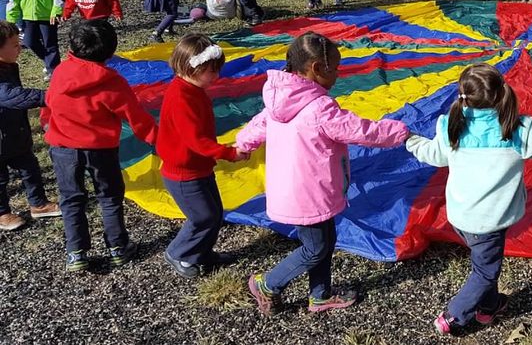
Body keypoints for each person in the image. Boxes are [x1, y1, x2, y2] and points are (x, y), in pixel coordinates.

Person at [240, 33, 410, 314]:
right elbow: (360, 130)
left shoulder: (279, 99)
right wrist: (400, 131)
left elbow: (259, 124)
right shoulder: (319, 108)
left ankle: (320, 294)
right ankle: (268, 283)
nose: (339, 74)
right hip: (309, 193)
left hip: (299, 190)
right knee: (315, 249)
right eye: (336, 68)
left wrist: (243, 143)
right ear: (318, 68)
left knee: (324, 242)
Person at [405, 63, 532, 335]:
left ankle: (488, 308)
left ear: (462, 96)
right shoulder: (516, 130)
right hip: (489, 223)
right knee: (485, 272)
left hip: (461, 217)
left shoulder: (452, 126)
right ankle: (454, 316)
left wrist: (411, 141)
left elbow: (434, 155)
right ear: (501, 94)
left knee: (485, 262)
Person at [44, 20, 157, 272]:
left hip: (63, 148)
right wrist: (157, 139)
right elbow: (135, 116)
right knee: (109, 196)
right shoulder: (111, 81)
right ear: (109, 51)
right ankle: (117, 247)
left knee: (71, 199)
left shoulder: (61, 72)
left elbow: (51, 100)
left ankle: (76, 253)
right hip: (100, 150)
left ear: (72, 46)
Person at [158, 34, 248, 279]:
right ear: (192, 68)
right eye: (211, 71)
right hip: (183, 172)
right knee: (203, 217)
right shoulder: (181, 97)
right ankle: (179, 252)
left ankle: (202, 252)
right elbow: (196, 141)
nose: (216, 77)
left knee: (214, 213)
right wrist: (229, 153)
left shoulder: (193, 88)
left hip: (199, 167)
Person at [0, 20, 60, 231]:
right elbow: (11, 96)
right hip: (1, 138)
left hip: (16, 131)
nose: (20, 49)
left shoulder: (9, 66)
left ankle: (38, 204)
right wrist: (49, 96)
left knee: (30, 168)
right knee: (1, 179)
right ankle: (3, 213)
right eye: (15, 45)